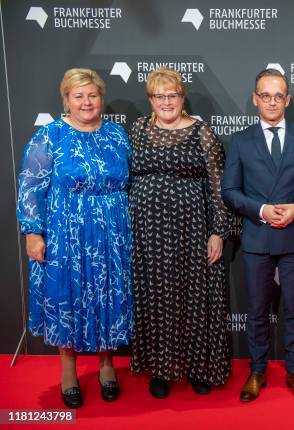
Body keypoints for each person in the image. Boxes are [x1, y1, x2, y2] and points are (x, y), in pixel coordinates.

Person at [17, 68, 132, 408]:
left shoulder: (117, 134)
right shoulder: (49, 136)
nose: (86, 102)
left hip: (112, 230)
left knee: (107, 294)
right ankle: (68, 370)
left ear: (101, 98)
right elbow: (30, 188)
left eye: (92, 95)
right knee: (66, 295)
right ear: (66, 99)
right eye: (78, 96)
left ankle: (106, 365)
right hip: (65, 230)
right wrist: (32, 232)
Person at [222, 68, 294, 402]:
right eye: (265, 95)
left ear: (288, 99)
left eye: (278, 95)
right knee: (256, 311)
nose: (271, 101)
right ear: (255, 99)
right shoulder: (240, 141)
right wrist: (261, 210)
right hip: (256, 237)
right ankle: (257, 370)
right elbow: (229, 191)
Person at [129, 68, 232, 399]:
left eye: (172, 95)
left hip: (190, 231)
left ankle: (197, 369)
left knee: (193, 298)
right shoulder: (137, 130)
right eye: (159, 96)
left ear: (182, 97)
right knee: (154, 297)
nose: (166, 102)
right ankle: (159, 370)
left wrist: (217, 232)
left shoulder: (201, 133)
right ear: (150, 99)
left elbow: (219, 187)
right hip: (145, 233)